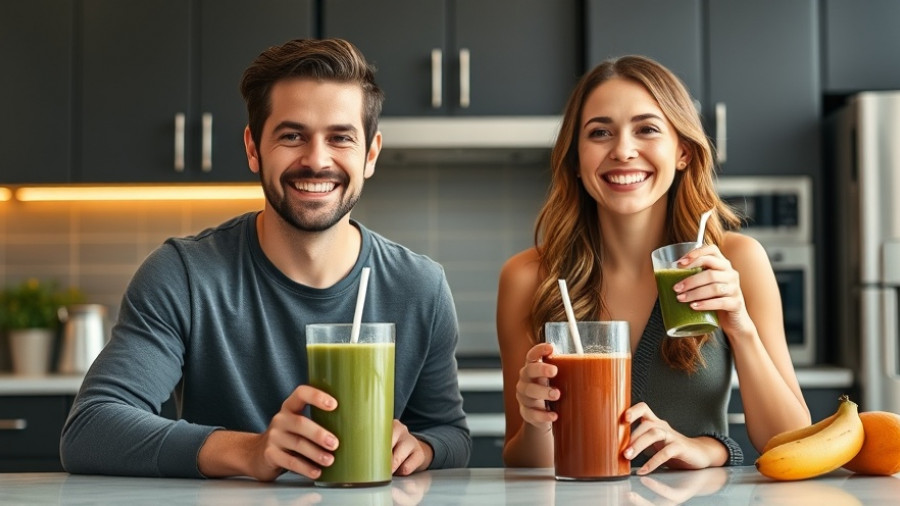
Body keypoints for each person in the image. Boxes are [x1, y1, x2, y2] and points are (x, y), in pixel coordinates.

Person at [60, 38, 470, 481]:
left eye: (340, 137)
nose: (316, 160)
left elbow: (450, 433)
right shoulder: (183, 275)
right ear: (254, 148)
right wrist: (249, 451)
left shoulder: (421, 286)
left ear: (369, 154)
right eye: (292, 136)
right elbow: (91, 427)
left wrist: (422, 447)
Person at [496, 55, 810, 475]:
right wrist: (537, 424)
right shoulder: (528, 278)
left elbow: (790, 442)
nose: (623, 150)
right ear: (575, 160)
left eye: (647, 129)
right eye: (600, 132)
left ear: (682, 151)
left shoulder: (735, 261)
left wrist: (740, 326)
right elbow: (522, 458)